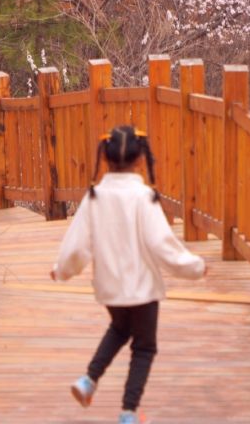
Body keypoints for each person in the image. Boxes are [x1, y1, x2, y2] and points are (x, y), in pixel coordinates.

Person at [51, 124, 207, 424]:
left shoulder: (95, 196)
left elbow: (78, 245)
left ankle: (88, 380)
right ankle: (128, 413)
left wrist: (62, 271)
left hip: (111, 287)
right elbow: (163, 245)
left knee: (119, 329)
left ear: (106, 159)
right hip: (143, 290)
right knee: (144, 348)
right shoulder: (143, 197)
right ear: (139, 160)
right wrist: (195, 267)